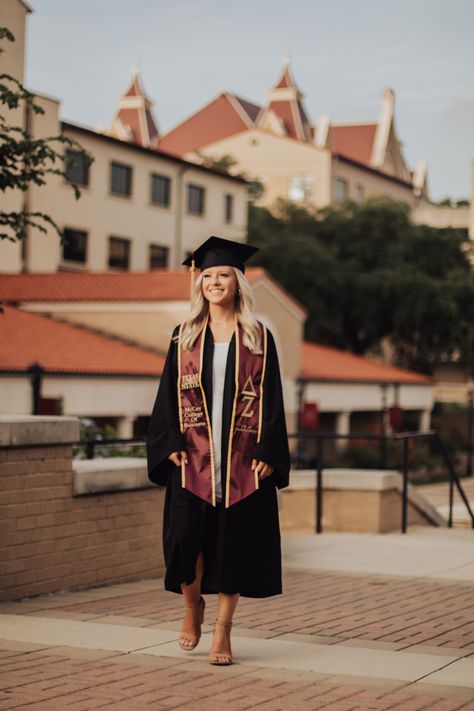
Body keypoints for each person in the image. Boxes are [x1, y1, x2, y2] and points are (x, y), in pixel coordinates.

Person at [146, 235, 290, 666]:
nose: (214, 281)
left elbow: (275, 397)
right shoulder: (183, 336)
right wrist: (169, 441)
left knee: (234, 547)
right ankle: (192, 608)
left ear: (238, 282)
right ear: (199, 283)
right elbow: (166, 397)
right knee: (184, 542)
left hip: (243, 463)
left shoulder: (259, 336)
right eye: (207, 275)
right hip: (192, 460)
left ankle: (223, 632)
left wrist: (268, 449)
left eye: (223, 274)